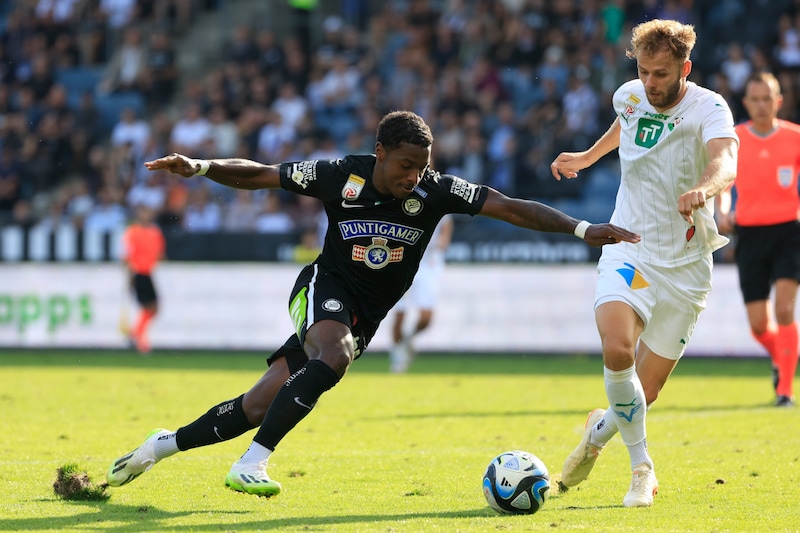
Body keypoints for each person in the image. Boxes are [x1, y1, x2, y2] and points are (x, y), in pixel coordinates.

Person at [106, 110, 640, 497]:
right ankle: (253, 463)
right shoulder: (343, 175)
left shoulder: (434, 190)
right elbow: (261, 174)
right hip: (321, 288)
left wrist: (580, 227)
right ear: (381, 152)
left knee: (255, 406)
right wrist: (201, 167)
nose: (414, 176)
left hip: (365, 315)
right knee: (332, 355)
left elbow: (509, 207)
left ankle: (160, 446)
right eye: (406, 165)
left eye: (422, 166)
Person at [550, 20, 738, 507]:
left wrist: (705, 188)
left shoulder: (709, 108)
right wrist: (588, 157)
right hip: (629, 245)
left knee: (644, 393)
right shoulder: (629, 95)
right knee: (617, 350)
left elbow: (726, 161)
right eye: (644, 71)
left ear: (684, 68)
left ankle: (598, 431)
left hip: (687, 265)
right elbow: (625, 124)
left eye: (660, 74)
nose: (650, 83)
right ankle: (642, 469)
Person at [716, 72, 800, 408]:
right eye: (756, 98)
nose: (762, 104)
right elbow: (723, 185)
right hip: (749, 234)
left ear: (779, 100)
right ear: (746, 102)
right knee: (758, 325)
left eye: (769, 98)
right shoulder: (734, 140)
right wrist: (723, 211)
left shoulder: (795, 137)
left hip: (788, 232)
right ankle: (783, 356)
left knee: (783, 310)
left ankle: (785, 392)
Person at [389, 213, 453, 373]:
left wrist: (440, 246)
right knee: (399, 314)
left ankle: (407, 340)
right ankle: (398, 357)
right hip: (403, 263)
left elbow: (445, 233)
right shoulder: (402, 203)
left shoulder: (440, 204)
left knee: (426, 318)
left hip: (428, 265)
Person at [121, 205, 166, 354]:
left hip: (148, 272)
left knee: (152, 308)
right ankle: (140, 339)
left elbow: (160, 254)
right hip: (138, 272)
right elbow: (126, 255)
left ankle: (135, 333)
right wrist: (129, 276)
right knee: (151, 307)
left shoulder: (155, 232)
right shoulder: (132, 232)